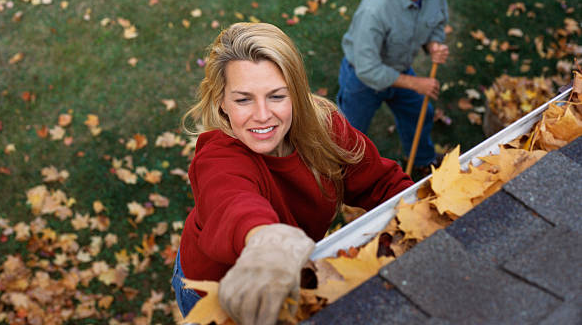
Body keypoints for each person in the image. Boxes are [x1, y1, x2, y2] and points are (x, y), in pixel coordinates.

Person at [171, 22, 413, 324]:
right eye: (243, 99)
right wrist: (269, 243)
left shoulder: (325, 128)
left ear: (297, 93)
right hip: (215, 291)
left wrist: (419, 219)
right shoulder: (218, 156)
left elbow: (382, 182)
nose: (262, 115)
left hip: (288, 278)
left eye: (276, 96)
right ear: (221, 101)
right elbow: (232, 202)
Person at [336, 0, 450, 175]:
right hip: (362, 79)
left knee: (422, 112)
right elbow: (368, 68)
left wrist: (434, 45)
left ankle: (422, 160)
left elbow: (438, 24)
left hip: (398, 67)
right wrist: (415, 83)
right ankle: (340, 179)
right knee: (348, 138)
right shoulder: (375, 9)